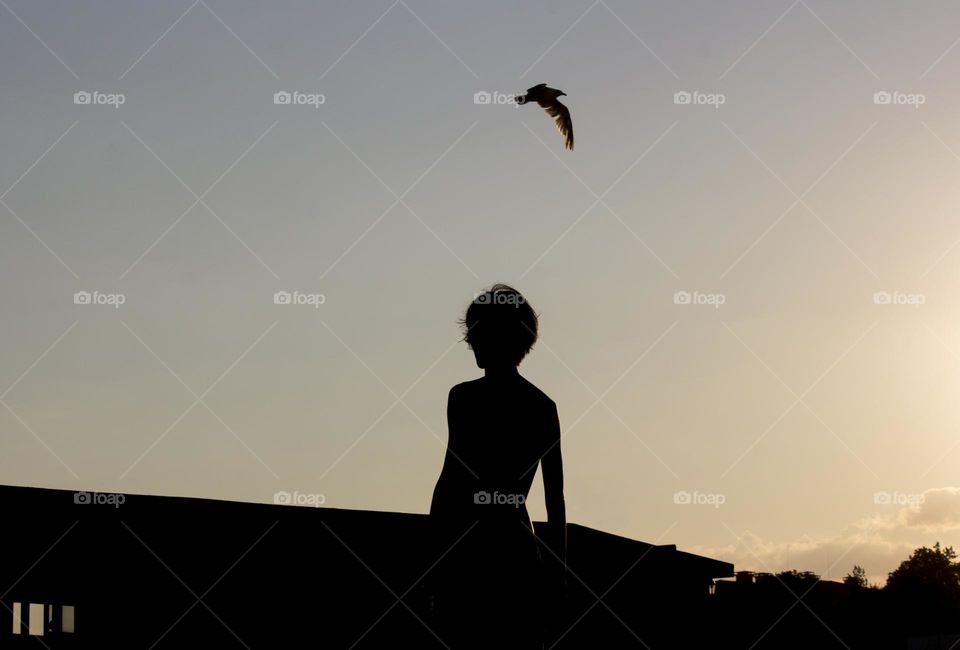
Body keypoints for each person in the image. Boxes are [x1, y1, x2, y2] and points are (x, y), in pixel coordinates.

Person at [428, 284, 566, 649]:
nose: (472, 343)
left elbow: (449, 481)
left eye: (477, 334)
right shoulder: (542, 405)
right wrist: (558, 579)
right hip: (517, 553)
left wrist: (432, 557)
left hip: (467, 554)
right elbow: (556, 503)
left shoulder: (463, 398)